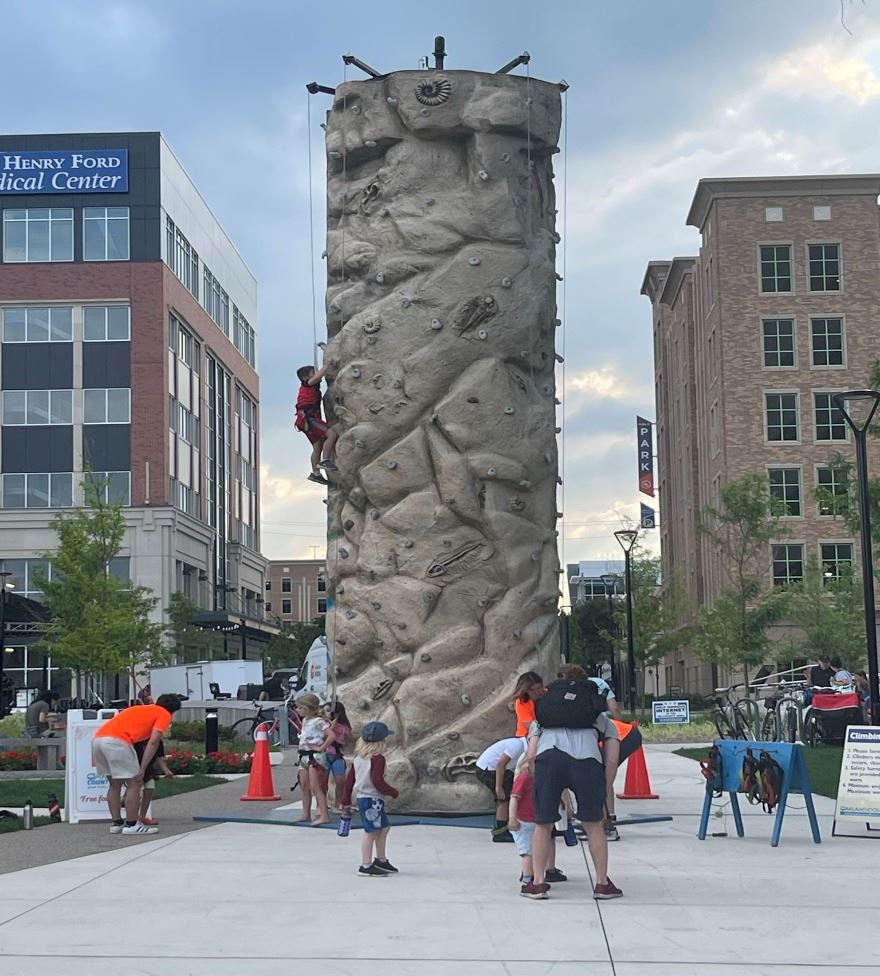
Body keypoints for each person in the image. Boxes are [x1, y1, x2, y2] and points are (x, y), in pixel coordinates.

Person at [524, 677, 622, 901]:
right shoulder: (599, 718)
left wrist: (541, 782)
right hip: (587, 763)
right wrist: (603, 788)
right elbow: (612, 759)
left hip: (549, 760)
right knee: (594, 825)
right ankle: (602, 884)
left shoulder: (542, 718)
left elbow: (531, 755)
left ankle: (538, 883)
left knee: (543, 824)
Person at [91, 694, 183, 835]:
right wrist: (143, 768)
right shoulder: (164, 714)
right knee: (135, 782)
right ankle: (132, 824)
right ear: (173, 710)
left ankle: (117, 823)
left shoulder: (138, 708)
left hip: (99, 739)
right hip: (118, 741)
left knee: (114, 785)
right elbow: (153, 742)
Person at [341, 721, 400, 876]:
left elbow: (350, 781)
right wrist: (393, 792)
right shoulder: (378, 759)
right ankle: (365, 865)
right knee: (371, 832)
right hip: (371, 799)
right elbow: (377, 781)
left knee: (384, 828)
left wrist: (346, 800)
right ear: (381, 742)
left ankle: (381, 860)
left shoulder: (359, 759)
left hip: (365, 798)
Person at [508, 753, 567, 892]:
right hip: (524, 821)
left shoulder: (541, 779)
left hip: (537, 820)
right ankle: (528, 877)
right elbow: (514, 798)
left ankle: (532, 875)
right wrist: (512, 818)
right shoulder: (525, 778)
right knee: (528, 852)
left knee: (534, 850)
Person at [475, 735, 528, 843]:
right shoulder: (517, 745)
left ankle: (508, 826)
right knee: (504, 799)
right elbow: (500, 764)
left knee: (514, 791)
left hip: (499, 768)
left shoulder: (523, 747)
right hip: (489, 769)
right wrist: (498, 788)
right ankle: (500, 832)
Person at [295, 363, 338, 484]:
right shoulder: (307, 384)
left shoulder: (311, 387)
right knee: (332, 434)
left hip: (305, 420)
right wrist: (326, 366)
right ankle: (325, 460)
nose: (317, 374)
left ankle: (316, 473)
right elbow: (317, 377)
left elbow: (317, 378)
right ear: (305, 377)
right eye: (313, 373)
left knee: (317, 446)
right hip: (309, 419)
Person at [294, 693, 331, 825]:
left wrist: (321, 747)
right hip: (303, 755)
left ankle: (324, 815)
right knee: (304, 786)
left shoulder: (319, 721)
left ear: (307, 708)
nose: (297, 710)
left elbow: (331, 735)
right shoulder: (305, 721)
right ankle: (306, 814)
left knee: (315, 786)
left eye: (300, 708)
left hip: (314, 756)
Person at [132, 739, 175, 827]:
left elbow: (159, 757)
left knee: (149, 788)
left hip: (148, 768)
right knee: (135, 793)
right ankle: (133, 817)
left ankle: (142, 816)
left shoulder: (158, 741)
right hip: (134, 767)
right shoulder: (137, 739)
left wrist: (166, 770)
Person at [322, 700, 352, 811]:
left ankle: (338, 803)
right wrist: (331, 727)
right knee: (322, 781)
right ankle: (322, 803)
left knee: (340, 781)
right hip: (324, 755)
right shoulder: (323, 725)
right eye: (324, 711)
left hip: (337, 755)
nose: (325, 714)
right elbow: (322, 738)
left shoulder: (344, 727)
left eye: (328, 711)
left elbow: (345, 741)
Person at [512, 672, 545, 736]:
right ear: (525, 691)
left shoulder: (548, 694)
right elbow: (530, 726)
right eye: (532, 690)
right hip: (526, 736)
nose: (537, 692)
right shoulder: (521, 702)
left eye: (539, 688)